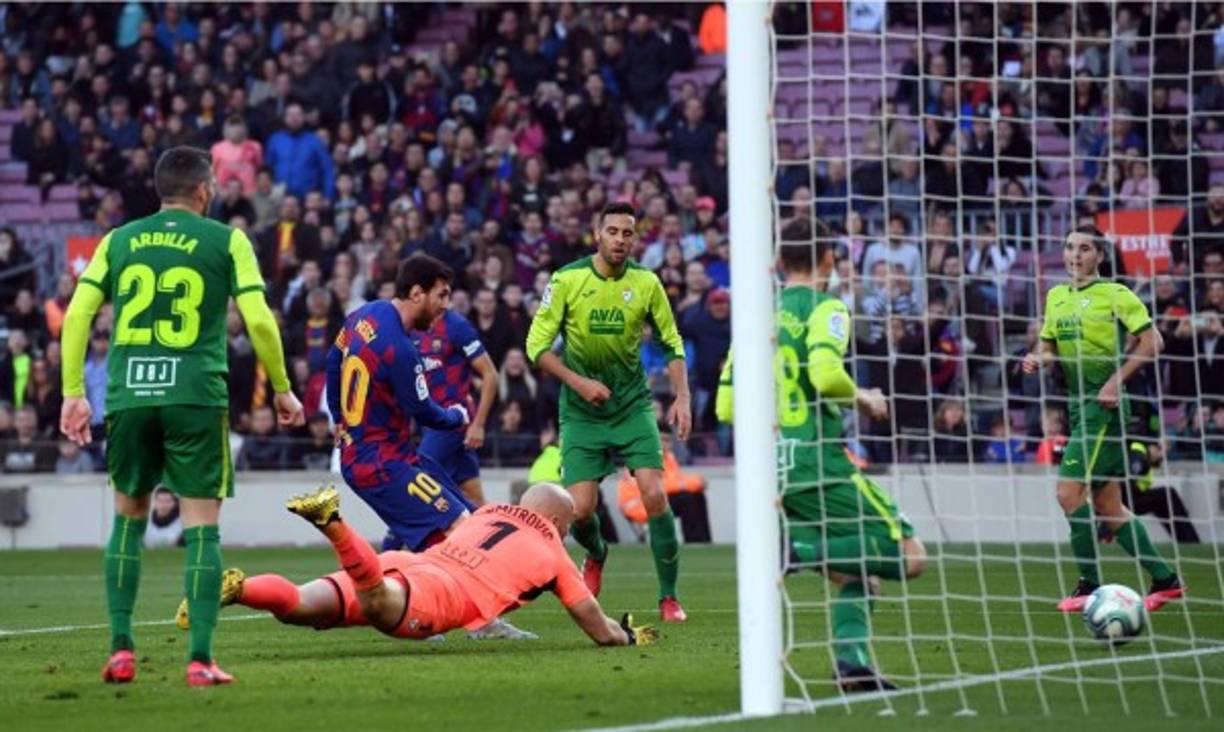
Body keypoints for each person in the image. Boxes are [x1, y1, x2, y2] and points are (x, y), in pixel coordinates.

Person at [59, 146, 305, 686]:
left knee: (127, 520)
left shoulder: (118, 240)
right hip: (195, 395)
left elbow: (78, 312)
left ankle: (121, 651)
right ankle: (199, 658)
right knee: (202, 531)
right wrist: (283, 389)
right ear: (203, 190)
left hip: (129, 395)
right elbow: (259, 320)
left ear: (159, 190)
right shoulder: (228, 239)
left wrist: (73, 392)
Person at [715, 218, 926, 692]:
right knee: (911, 556)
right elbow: (827, 374)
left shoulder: (754, 313)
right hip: (817, 462)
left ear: (777, 262)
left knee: (858, 572)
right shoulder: (827, 306)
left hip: (769, 469)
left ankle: (852, 665)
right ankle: (798, 553)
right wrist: (866, 397)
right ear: (829, 259)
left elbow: (726, 407)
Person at [324, 254, 533, 640]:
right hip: (383, 462)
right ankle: (469, 620)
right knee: (461, 526)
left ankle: (430, 614)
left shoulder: (363, 316)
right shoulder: (401, 350)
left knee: (443, 531)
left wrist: (338, 415)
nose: (445, 306)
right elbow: (425, 412)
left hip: (382, 456)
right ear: (416, 292)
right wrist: (458, 415)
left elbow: (334, 360)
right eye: (441, 295)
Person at [176, 484, 657, 648]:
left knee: (300, 606)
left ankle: (238, 590)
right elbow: (595, 625)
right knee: (380, 603)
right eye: (567, 523)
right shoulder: (552, 549)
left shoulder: (487, 512)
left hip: (410, 561)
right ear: (557, 520)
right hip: (442, 592)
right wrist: (625, 636)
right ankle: (335, 525)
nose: (568, 531)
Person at [525, 201, 692, 623]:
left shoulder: (647, 283)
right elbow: (536, 347)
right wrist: (579, 383)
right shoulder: (567, 279)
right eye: (613, 231)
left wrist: (682, 396)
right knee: (579, 510)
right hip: (581, 412)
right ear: (597, 234)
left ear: (635, 239)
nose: (620, 239)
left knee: (655, 493)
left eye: (628, 233)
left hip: (632, 407)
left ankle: (669, 598)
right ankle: (597, 554)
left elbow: (672, 343)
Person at [1023, 226, 1184, 613]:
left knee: (1067, 493)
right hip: (1078, 406)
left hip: (1105, 408)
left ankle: (1088, 585)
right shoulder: (1056, 296)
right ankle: (1166, 580)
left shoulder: (1115, 294)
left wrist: (1115, 381)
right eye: (1069, 247)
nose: (1074, 255)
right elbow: (1048, 345)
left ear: (1100, 256)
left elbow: (1154, 342)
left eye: (1084, 248)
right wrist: (1037, 358)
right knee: (1109, 505)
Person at [411, 304, 499, 506]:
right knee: (475, 499)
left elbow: (491, 375)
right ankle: (499, 534)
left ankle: (397, 538)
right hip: (430, 421)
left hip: (452, 419)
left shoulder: (456, 326)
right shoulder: (414, 326)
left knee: (418, 482)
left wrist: (478, 424)